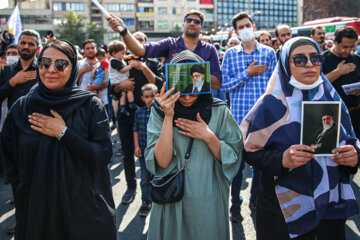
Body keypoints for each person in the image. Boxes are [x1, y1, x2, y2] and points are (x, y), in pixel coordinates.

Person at [241, 36, 359, 240]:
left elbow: (350, 140)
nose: (310, 65)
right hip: (283, 208)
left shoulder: (331, 97)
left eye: (315, 58)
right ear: (285, 64)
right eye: (299, 60)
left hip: (329, 204)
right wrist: (281, 160)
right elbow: (249, 151)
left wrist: (353, 155)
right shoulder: (270, 103)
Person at [1, 39, 117, 240]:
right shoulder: (22, 108)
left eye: (60, 64)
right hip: (37, 211)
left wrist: (64, 133)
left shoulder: (89, 105)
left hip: (82, 210)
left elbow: (103, 155)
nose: (51, 70)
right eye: (45, 63)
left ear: (73, 68)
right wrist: (24, 195)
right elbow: (11, 160)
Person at [145, 50, 242, 240]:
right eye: (182, 90)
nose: (187, 98)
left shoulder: (218, 110)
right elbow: (161, 162)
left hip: (208, 197)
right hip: (171, 198)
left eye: (193, 89)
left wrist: (209, 137)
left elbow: (235, 156)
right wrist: (169, 116)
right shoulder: (159, 112)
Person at [221, 12, 277, 222]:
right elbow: (225, 85)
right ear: (236, 31)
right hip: (239, 120)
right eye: (241, 27)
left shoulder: (269, 53)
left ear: (253, 26)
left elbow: (275, 86)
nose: (245, 29)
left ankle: (255, 199)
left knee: (260, 166)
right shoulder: (230, 55)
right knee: (237, 167)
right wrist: (248, 73)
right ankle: (235, 203)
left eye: (248, 25)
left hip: (263, 120)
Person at [109, 32, 164, 204]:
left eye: (140, 41)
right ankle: (131, 187)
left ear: (145, 45)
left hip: (149, 115)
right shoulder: (122, 63)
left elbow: (160, 84)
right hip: (127, 114)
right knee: (127, 153)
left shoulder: (153, 63)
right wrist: (120, 86)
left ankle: (152, 192)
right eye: (134, 40)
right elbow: (112, 90)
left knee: (152, 152)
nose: (137, 43)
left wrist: (142, 67)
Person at [106, 9, 222, 90]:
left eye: (197, 22)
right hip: (171, 102)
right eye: (188, 20)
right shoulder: (170, 44)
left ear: (201, 28)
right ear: (183, 25)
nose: (192, 23)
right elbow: (140, 50)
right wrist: (124, 31)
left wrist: (192, 67)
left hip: (199, 103)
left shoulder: (210, 49)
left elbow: (216, 84)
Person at [322, 26, 360, 138]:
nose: (348, 50)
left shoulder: (356, 59)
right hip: (332, 115)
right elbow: (317, 84)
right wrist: (338, 72)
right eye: (344, 47)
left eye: (351, 46)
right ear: (335, 42)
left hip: (356, 114)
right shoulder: (323, 59)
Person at [133, 83, 158, 217]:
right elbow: (135, 130)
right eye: (147, 97)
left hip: (157, 153)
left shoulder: (160, 112)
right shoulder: (139, 111)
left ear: (157, 96)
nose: (150, 99)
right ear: (142, 98)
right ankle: (146, 202)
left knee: (157, 179)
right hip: (143, 152)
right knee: (144, 178)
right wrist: (136, 146)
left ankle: (157, 202)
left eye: (153, 96)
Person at [107, 40, 136, 116]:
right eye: (122, 53)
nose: (124, 55)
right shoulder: (114, 61)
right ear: (113, 53)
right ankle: (131, 103)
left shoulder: (118, 58)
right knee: (128, 90)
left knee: (123, 93)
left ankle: (124, 106)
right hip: (118, 80)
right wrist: (131, 66)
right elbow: (122, 70)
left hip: (121, 80)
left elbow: (122, 58)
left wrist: (128, 56)